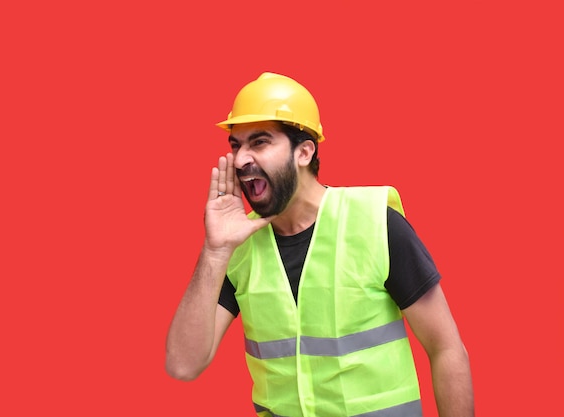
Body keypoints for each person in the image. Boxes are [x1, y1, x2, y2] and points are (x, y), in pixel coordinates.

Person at [165, 72, 474, 417]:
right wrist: (215, 250)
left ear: (304, 151)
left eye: (260, 142)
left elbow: (446, 348)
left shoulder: (377, 223)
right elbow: (182, 364)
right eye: (236, 145)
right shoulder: (238, 247)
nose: (239, 160)